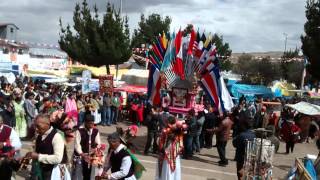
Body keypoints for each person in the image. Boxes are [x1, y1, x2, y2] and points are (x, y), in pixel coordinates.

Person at [26, 114, 67, 180]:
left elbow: (58, 158)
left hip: (53, 173)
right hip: (41, 171)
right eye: (35, 126)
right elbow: (37, 152)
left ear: (47, 124)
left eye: (38, 126)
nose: (36, 129)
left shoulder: (57, 137)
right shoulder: (39, 136)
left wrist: (38, 156)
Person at [73, 114, 101, 180]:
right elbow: (77, 144)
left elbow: (98, 143)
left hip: (91, 156)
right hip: (80, 156)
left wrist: (95, 149)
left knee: (89, 174)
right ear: (85, 122)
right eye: (90, 123)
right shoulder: (79, 131)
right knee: (79, 174)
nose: (92, 125)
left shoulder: (95, 131)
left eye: (93, 123)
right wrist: (82, 154)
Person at [233, 113, 256, 180]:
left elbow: (234, 144)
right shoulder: (253, 135)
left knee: (240, 173)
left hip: (241, 157)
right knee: (248, 174)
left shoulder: (242, 135)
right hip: (250, 157)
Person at [0, 114, 22, 180]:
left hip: (5, 160)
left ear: (1, 122)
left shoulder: (9, 130)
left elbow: (18, 145)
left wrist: (4, 144)